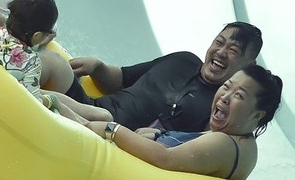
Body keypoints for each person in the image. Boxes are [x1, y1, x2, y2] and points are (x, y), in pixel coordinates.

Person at [85, 64, 282, 180]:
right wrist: (159, 135)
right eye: (226, 87)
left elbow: (165, 159)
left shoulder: (226, 143)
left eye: (239, 95)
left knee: (101, 120)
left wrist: (113, 130)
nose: (224, 97)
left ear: (257, 115)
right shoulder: (238, 139)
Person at [68, 22, 263, 131]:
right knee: (54, 63)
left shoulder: (221, 106)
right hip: (91, 108)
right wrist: (97, 67)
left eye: (233, 51)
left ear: (249, 66)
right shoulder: (182, 60)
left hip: (114, 138)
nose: (221, 52)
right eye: (219, 42)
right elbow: (121, 79)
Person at [0, 0, 109, 126]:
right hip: (2, 102)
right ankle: (88, 124)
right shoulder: (31, 63)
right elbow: (32, 103)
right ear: (38, 36)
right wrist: (52, 101)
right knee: (59, 101)